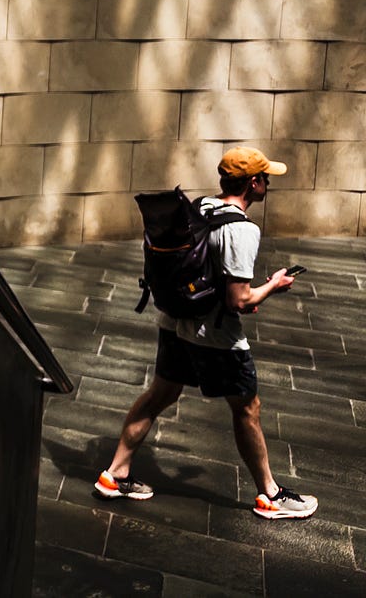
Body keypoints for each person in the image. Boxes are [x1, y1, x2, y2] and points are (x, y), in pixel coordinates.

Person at [93, 146, 318, 520]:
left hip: (173, 323)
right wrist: (274, 286)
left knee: (159, 394)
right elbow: (239, 300)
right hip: (214, 337)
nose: (268, 184)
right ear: (253, 183)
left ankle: (114, 475)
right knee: (247, 408)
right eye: (266, 179)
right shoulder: (242, 230)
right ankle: (270, 495)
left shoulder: (198, 209)